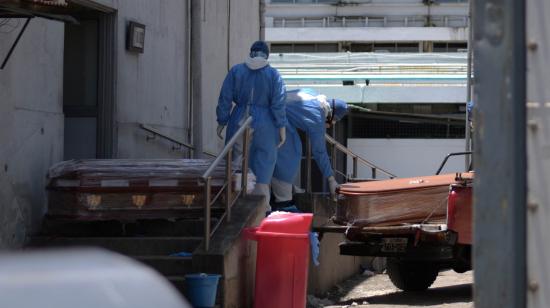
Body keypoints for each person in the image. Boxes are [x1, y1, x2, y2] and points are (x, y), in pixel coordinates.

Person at [216, 41, 287, 210]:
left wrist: (222, 121)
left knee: (235, 159)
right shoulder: (273, 75)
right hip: (266, 121)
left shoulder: (236, 71)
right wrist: (281, 126)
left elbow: (225, 97)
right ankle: (262, 206)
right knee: (264, 160)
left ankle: (234, 201)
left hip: (239, 117)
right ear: (267, 55)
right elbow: (278, 102)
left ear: (251, 52)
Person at [271, 88, 348, 208]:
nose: (332, 124)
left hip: (267, 117)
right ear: (331, 113)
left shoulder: (312, 93)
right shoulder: (317, 116)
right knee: (289, 157)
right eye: (335, 120)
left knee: (292, 148)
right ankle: (283, 200)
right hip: (275, 123)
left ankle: (285, 189)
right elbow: (319, 151)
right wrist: (331, 178)